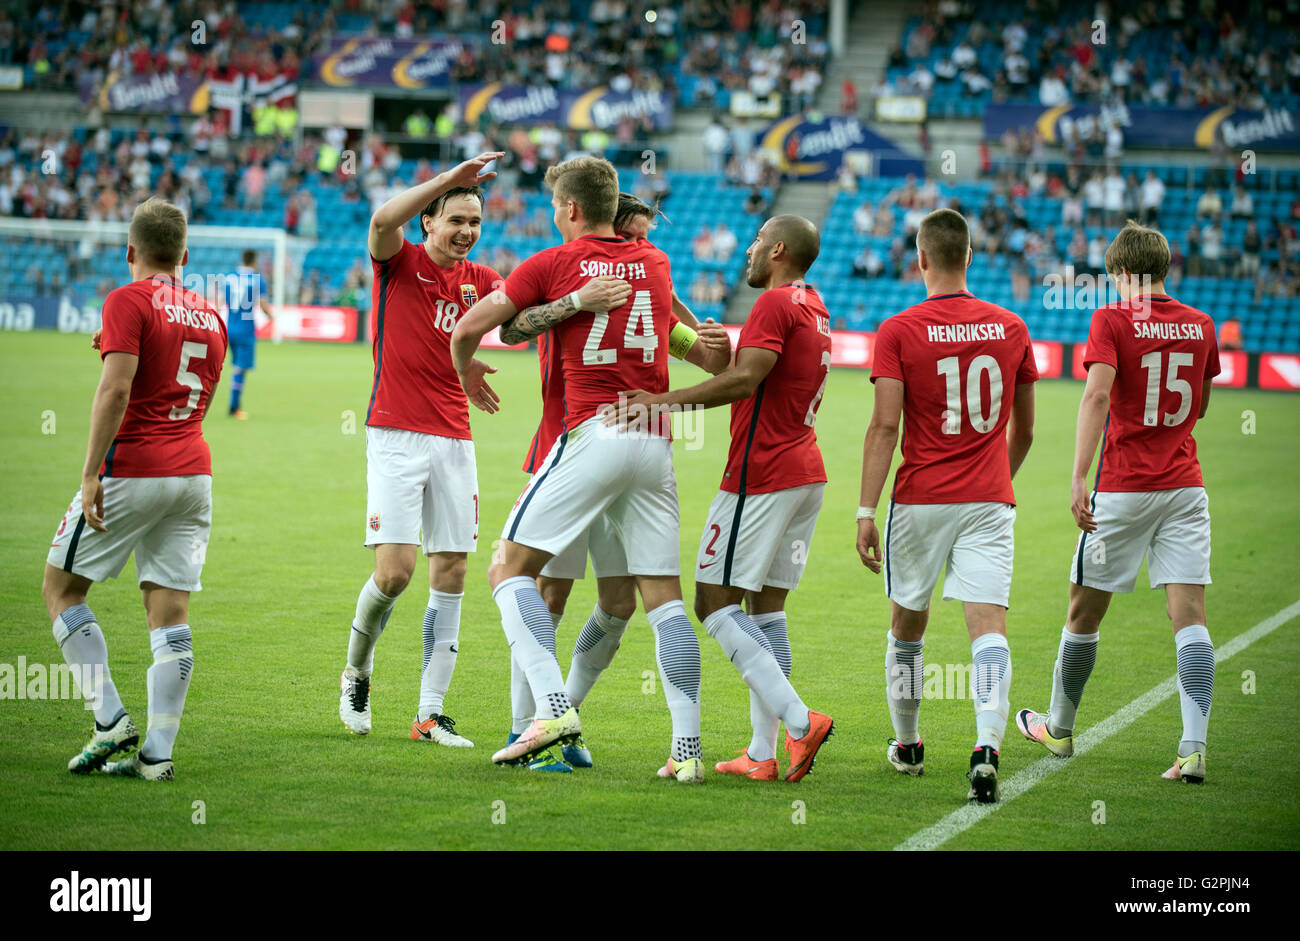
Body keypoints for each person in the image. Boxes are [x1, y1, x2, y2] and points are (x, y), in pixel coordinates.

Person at [450, 156, 705, 781]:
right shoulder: (655, 265)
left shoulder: (556, 261)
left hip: (592, 435)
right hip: (645, 439)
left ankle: (556, 713)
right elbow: (677, 334)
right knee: (644, 596)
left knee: (517, 570)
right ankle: (681, 748)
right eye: (636, 225)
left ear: (567, 208)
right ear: (617, 213)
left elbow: (476, 329)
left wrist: (464, 367)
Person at [615, 216, 836, 782]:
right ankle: (762, 755)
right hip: (806, 472)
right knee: (766, 610)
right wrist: (724, 348)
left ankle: (797, 719)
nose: (749, 248)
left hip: (761, 475)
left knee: (713, 603)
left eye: (758, 240)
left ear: (779, 249)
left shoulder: (774, 305)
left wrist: (658, 402)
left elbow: (744, 382)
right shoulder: (814, 305)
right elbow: (750, 369)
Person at [1016, 221, 1221, 784]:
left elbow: (1099, 392)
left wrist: (1079, 475)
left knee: (1084, 615)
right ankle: (1193, 749)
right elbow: (1199, 406)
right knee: (1191, 619)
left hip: (1124, 489)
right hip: (1184, 487)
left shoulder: (1110, 319)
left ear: (1123, 273)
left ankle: (1058, 728)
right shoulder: (1202, 325)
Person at [857, 208, 1038, 804]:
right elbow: (1026, 431)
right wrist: (992, 481)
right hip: (989, 498)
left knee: (908, 626)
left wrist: (865, 510)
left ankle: (908, 745)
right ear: (969, 257)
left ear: (921, 260)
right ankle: (986, 745)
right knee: (988, 628)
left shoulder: (899, 329)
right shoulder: (1010, 327)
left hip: (921, 499)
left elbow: (885, 427)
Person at [43, 197, 227, 781]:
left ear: (130, 253)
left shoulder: (126, 300)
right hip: (194, 473)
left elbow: (116, 391)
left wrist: (91, 471)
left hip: (136, 468)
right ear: (185, 256)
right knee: (170, 610)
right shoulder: (211, 314)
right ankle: (157, 756)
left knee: (61, 589)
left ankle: (109, 721)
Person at [337, 152, 506, 748]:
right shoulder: (398, 262)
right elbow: (383, 221)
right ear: (429, 222)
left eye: (475, 222)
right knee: (395, 572)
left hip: (455, 437)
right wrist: (447, 180)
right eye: (456, 219)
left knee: (453, 570)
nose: (466, 231)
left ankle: (430, 714)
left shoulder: (482, 281)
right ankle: (357, 671)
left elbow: (522, 316)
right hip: (394, 433)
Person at [223, 249, 274, 419]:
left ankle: (233, 404)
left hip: (229, 328)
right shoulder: (258, 280)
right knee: (240, 369)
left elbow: (220, 301)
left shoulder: (229, 278)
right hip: (246, 330)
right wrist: (272, 316)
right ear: (254, 261)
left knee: (234, 367)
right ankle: (234, 406)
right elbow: (263, 304)